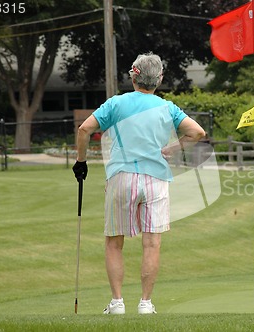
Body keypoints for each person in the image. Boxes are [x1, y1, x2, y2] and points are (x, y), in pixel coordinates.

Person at [72, 52, 206, 315]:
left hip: (121, 178)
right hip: (156, 179)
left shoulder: (116, 103)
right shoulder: (167, 107)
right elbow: (197, 132)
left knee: (114, 242)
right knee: (152, 243)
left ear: (133, 75)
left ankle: (117, 303)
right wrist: (173, 147)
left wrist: (81, 161)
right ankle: (145, 303)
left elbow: (84, 130)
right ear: (160, 79)